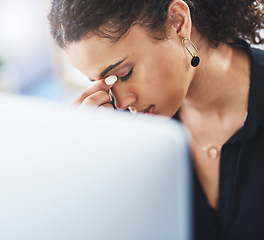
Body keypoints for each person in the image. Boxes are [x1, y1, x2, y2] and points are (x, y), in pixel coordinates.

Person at [48, 0, 264, 239]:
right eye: (105, 83)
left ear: (177, 22)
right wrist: (88, 173)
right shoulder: (127, 132)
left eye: (123, 74)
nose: (121, 103)